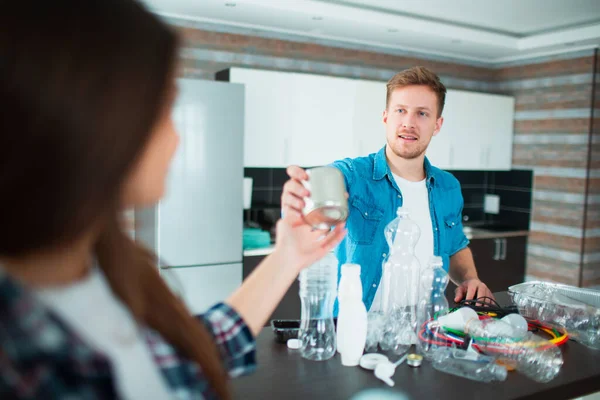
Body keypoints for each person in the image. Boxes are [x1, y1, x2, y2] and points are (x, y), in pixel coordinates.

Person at [0, 1, 346, 399]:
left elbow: (186, 359)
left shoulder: (98, 266)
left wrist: (288, 256)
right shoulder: (21, 362)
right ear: (97, 119)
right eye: (165, 107)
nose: (178, 137)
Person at [281, 66, 493, 313]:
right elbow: (314, 203)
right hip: (356, 331)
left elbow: (455, 245)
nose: (408, 123)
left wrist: (470, 278)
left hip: (424, 330)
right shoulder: (354, 174)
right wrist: (305, 199)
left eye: (422, 114)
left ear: (437, 125)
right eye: (400, 110)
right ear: (386, 117)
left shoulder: (448, 187)